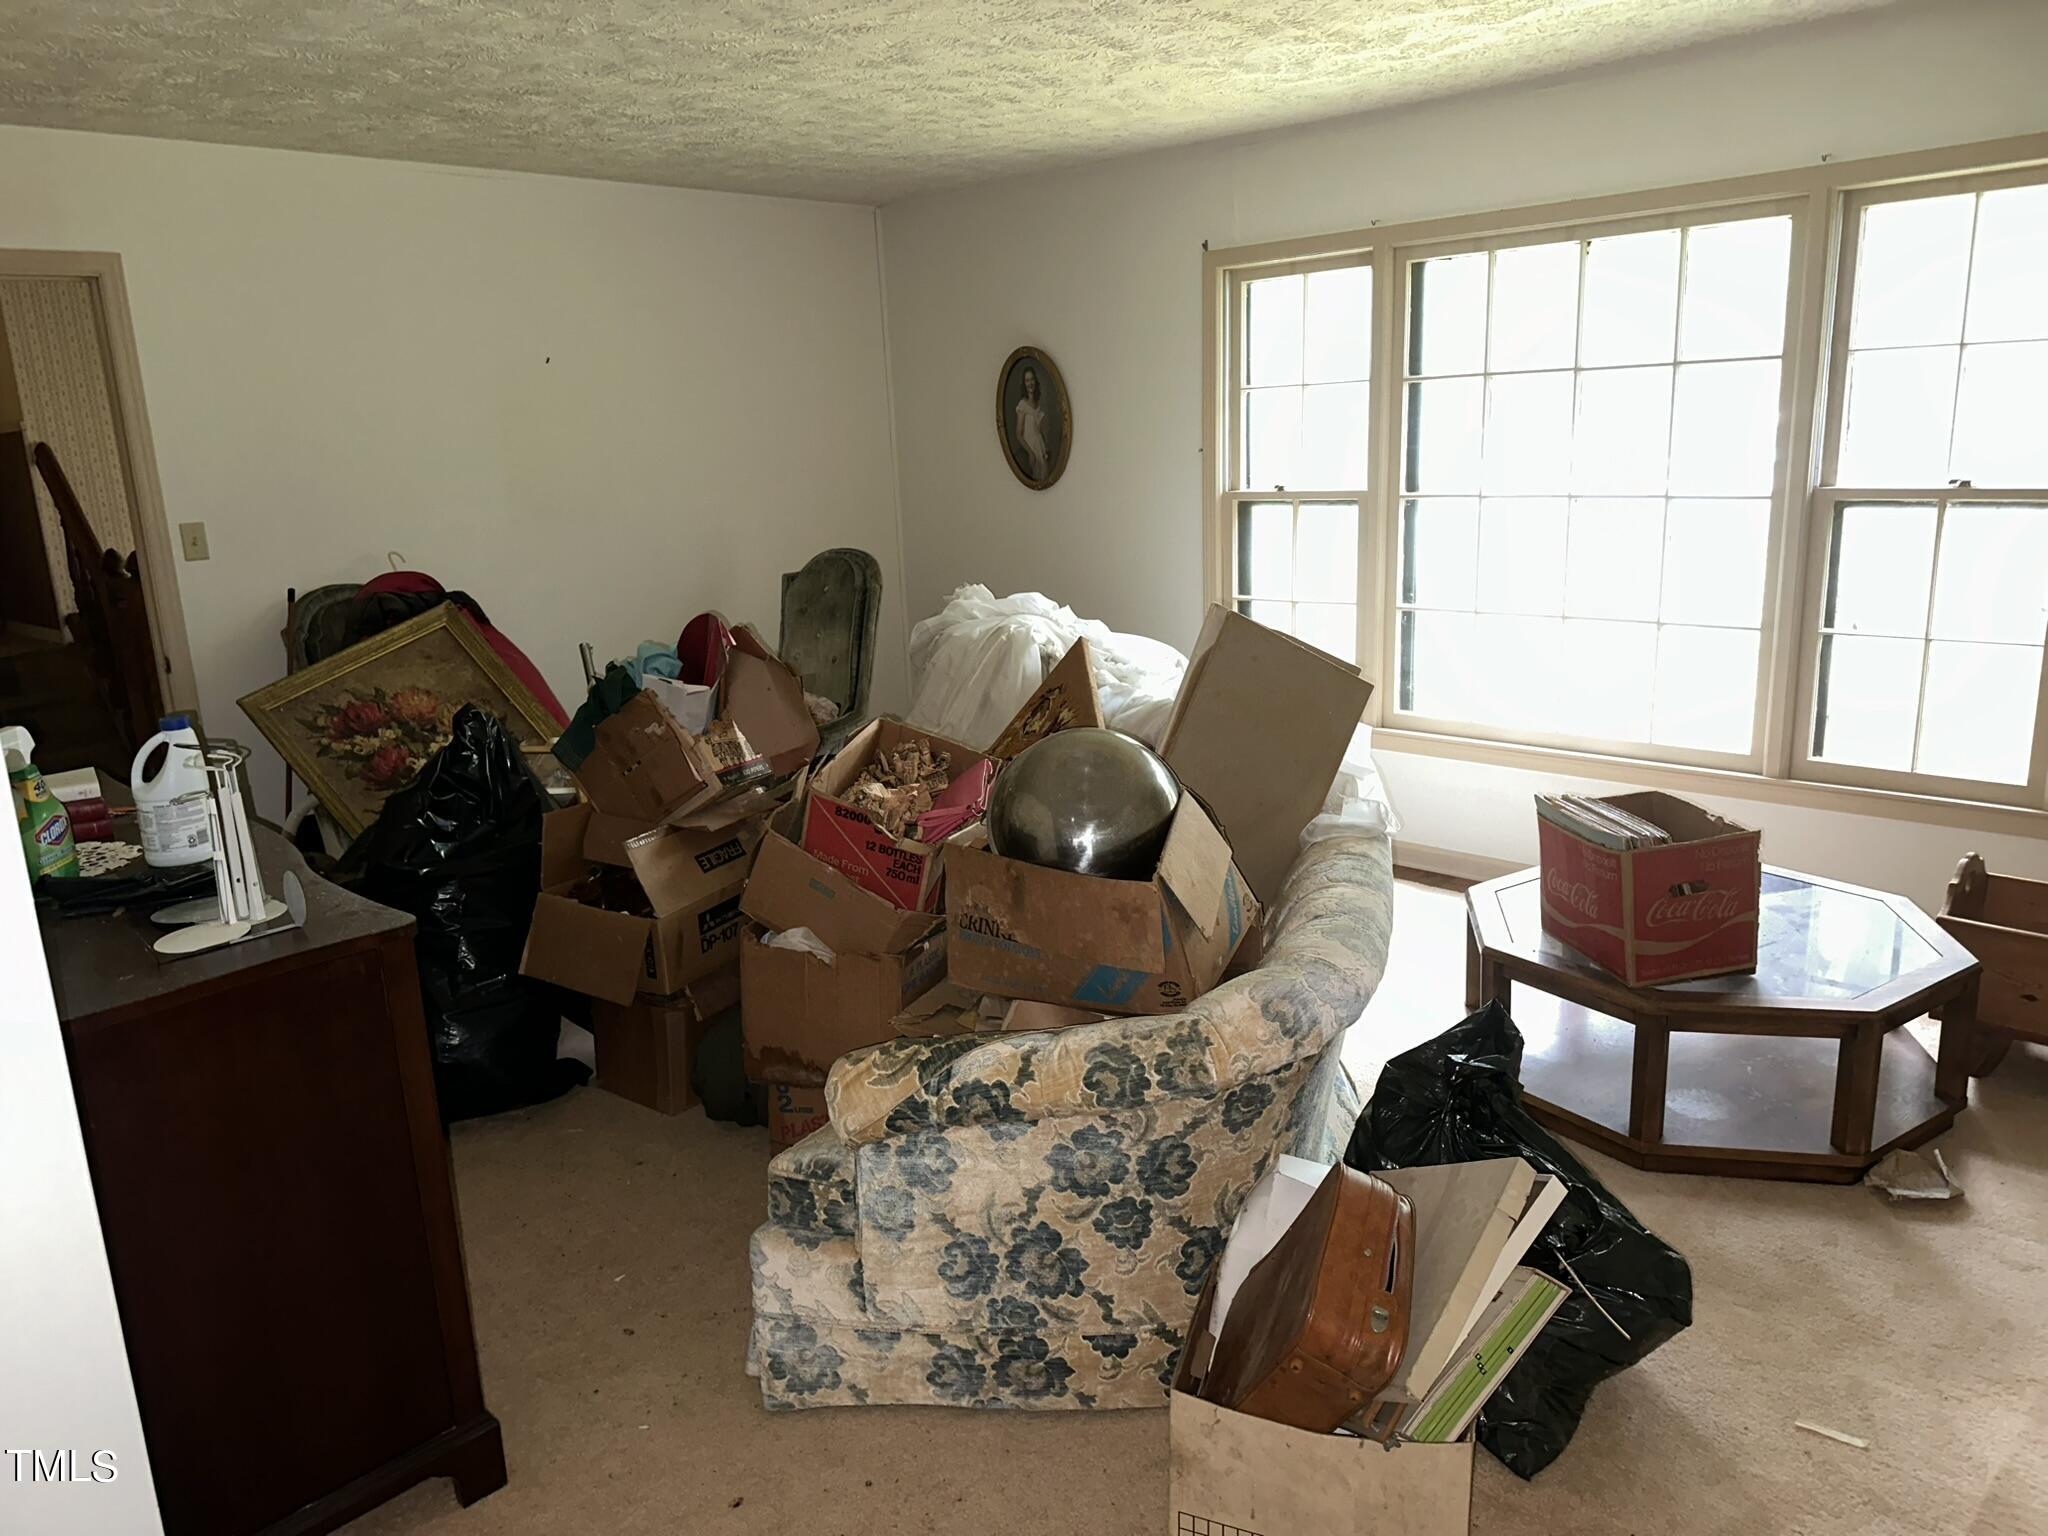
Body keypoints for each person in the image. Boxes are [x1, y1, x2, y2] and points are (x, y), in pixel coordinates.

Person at [1013, 364, 1051, 480]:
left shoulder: (1038, 404)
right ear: (1024, 383)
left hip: (1040, 446)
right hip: (1030, 448)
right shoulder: (1022, 405)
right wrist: (1030, 453)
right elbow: (1018, 434)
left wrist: (1045, 446)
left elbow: (1039, 431)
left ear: (1035, 381)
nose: (1030, 383)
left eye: (1032, 379)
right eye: (1027, 380)